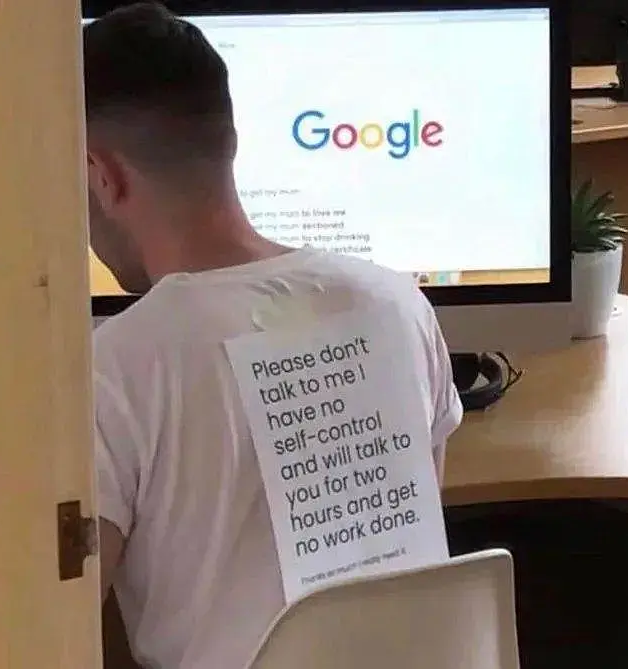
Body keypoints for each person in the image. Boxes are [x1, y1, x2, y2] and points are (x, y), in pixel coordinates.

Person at [85, 4, 462, 668]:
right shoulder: (398, 304)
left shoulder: (114, 366)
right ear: (229, 141)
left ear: (102, 176)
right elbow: (412, 558)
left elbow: (49, 620)